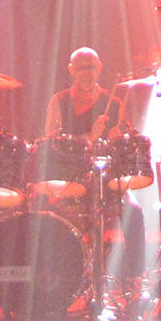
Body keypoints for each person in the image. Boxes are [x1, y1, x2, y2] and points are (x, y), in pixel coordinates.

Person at [41, 48, 146, 282]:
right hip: (73, 180)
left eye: (91, 67)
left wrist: (119, 139)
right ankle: (63, 279)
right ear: (71, 70)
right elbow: (52, 147)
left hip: (107, 180)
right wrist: (89, 136)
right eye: (81, 67)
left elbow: (122, 153)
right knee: (49, 216)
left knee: (135, 213)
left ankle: (135, 280)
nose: (87, 72)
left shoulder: (115, 103)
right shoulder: (59, 102)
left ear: (99, 68)